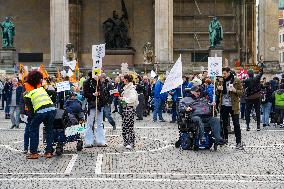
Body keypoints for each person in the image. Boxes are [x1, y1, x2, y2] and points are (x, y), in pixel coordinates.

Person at [24, 71, 56, 159]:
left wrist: (30, 121)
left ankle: (34, 153)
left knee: (33, 129)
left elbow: (31, 112)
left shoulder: (28, 94)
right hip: (52, 110)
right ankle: (48, 152)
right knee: (49, 130)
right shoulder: (42, 89)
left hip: (41, 111)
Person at [217, 67, 243, 150]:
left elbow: (242, 93)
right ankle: (225, 139)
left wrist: (235, 90)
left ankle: (238, 142)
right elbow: (217, 93)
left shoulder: (236, 80)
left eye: (225, 73)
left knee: (236, 124)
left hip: (233, 105)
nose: (223, 75)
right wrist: (218, 90)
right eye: (223, 74)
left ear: (229, 72)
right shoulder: (221, 81)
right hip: (224, 105)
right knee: (223, 123)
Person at [83, 71, 107, 147]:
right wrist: (93, 94)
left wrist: (100, 94)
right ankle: (88, 141)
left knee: (100, 123)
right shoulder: (86, 82)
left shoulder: (99, 82)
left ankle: (100, 140)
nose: (101, 75)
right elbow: (85, 94)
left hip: (100, 105)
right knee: (90, 123)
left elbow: (103, 93)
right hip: (91, 104)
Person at [120, 74, 139, 149]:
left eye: (124, 79)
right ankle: (126, 142)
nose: (123, 80)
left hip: (129, 109)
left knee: (129, 126)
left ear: (127, 80)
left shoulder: (132, 89)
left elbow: (133, 99)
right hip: (125, 108)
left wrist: (123, 99)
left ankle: (131, 142)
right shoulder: (127, 88)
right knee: (124, 126)